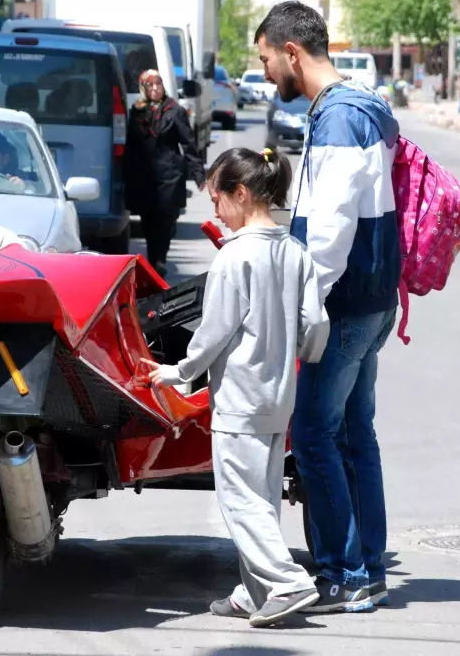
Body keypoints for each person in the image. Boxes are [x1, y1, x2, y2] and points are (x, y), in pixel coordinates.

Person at [254, 0, 400, 613]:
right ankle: (367, 564)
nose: (265, 74)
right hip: (374, 298)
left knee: (313, 431)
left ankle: (345, 575)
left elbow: (332, 227)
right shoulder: (368, 104)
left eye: (265, 60)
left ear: (293, 53)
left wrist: (303, 302)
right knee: (352, 433)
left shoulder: (339, 118)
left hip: (341, 303)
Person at [143, 147, 328, 628]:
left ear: (240, 194)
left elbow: (213, 333)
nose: (215, 212)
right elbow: (316, 326)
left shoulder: (234, 258)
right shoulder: (296, 252)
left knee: (240, 500)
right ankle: (253, 591)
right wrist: (298, 357)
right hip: (278, 396)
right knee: (262, 497)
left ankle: (286, 582)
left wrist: (178, 373)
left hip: (240, 399)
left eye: (216, 199)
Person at [123, 69, 205, 275]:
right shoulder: (137, 111)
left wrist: (198, 174)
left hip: (170, 174)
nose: (154, 88)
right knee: (149, 220)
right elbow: (130, 145)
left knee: (167, 219)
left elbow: (188, 143)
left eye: (158, 84)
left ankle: (160, 257)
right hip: (145, 175)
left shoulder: (174, 110)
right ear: (143, 88)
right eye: (149, 85)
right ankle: (154, 261)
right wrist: (125, 172)